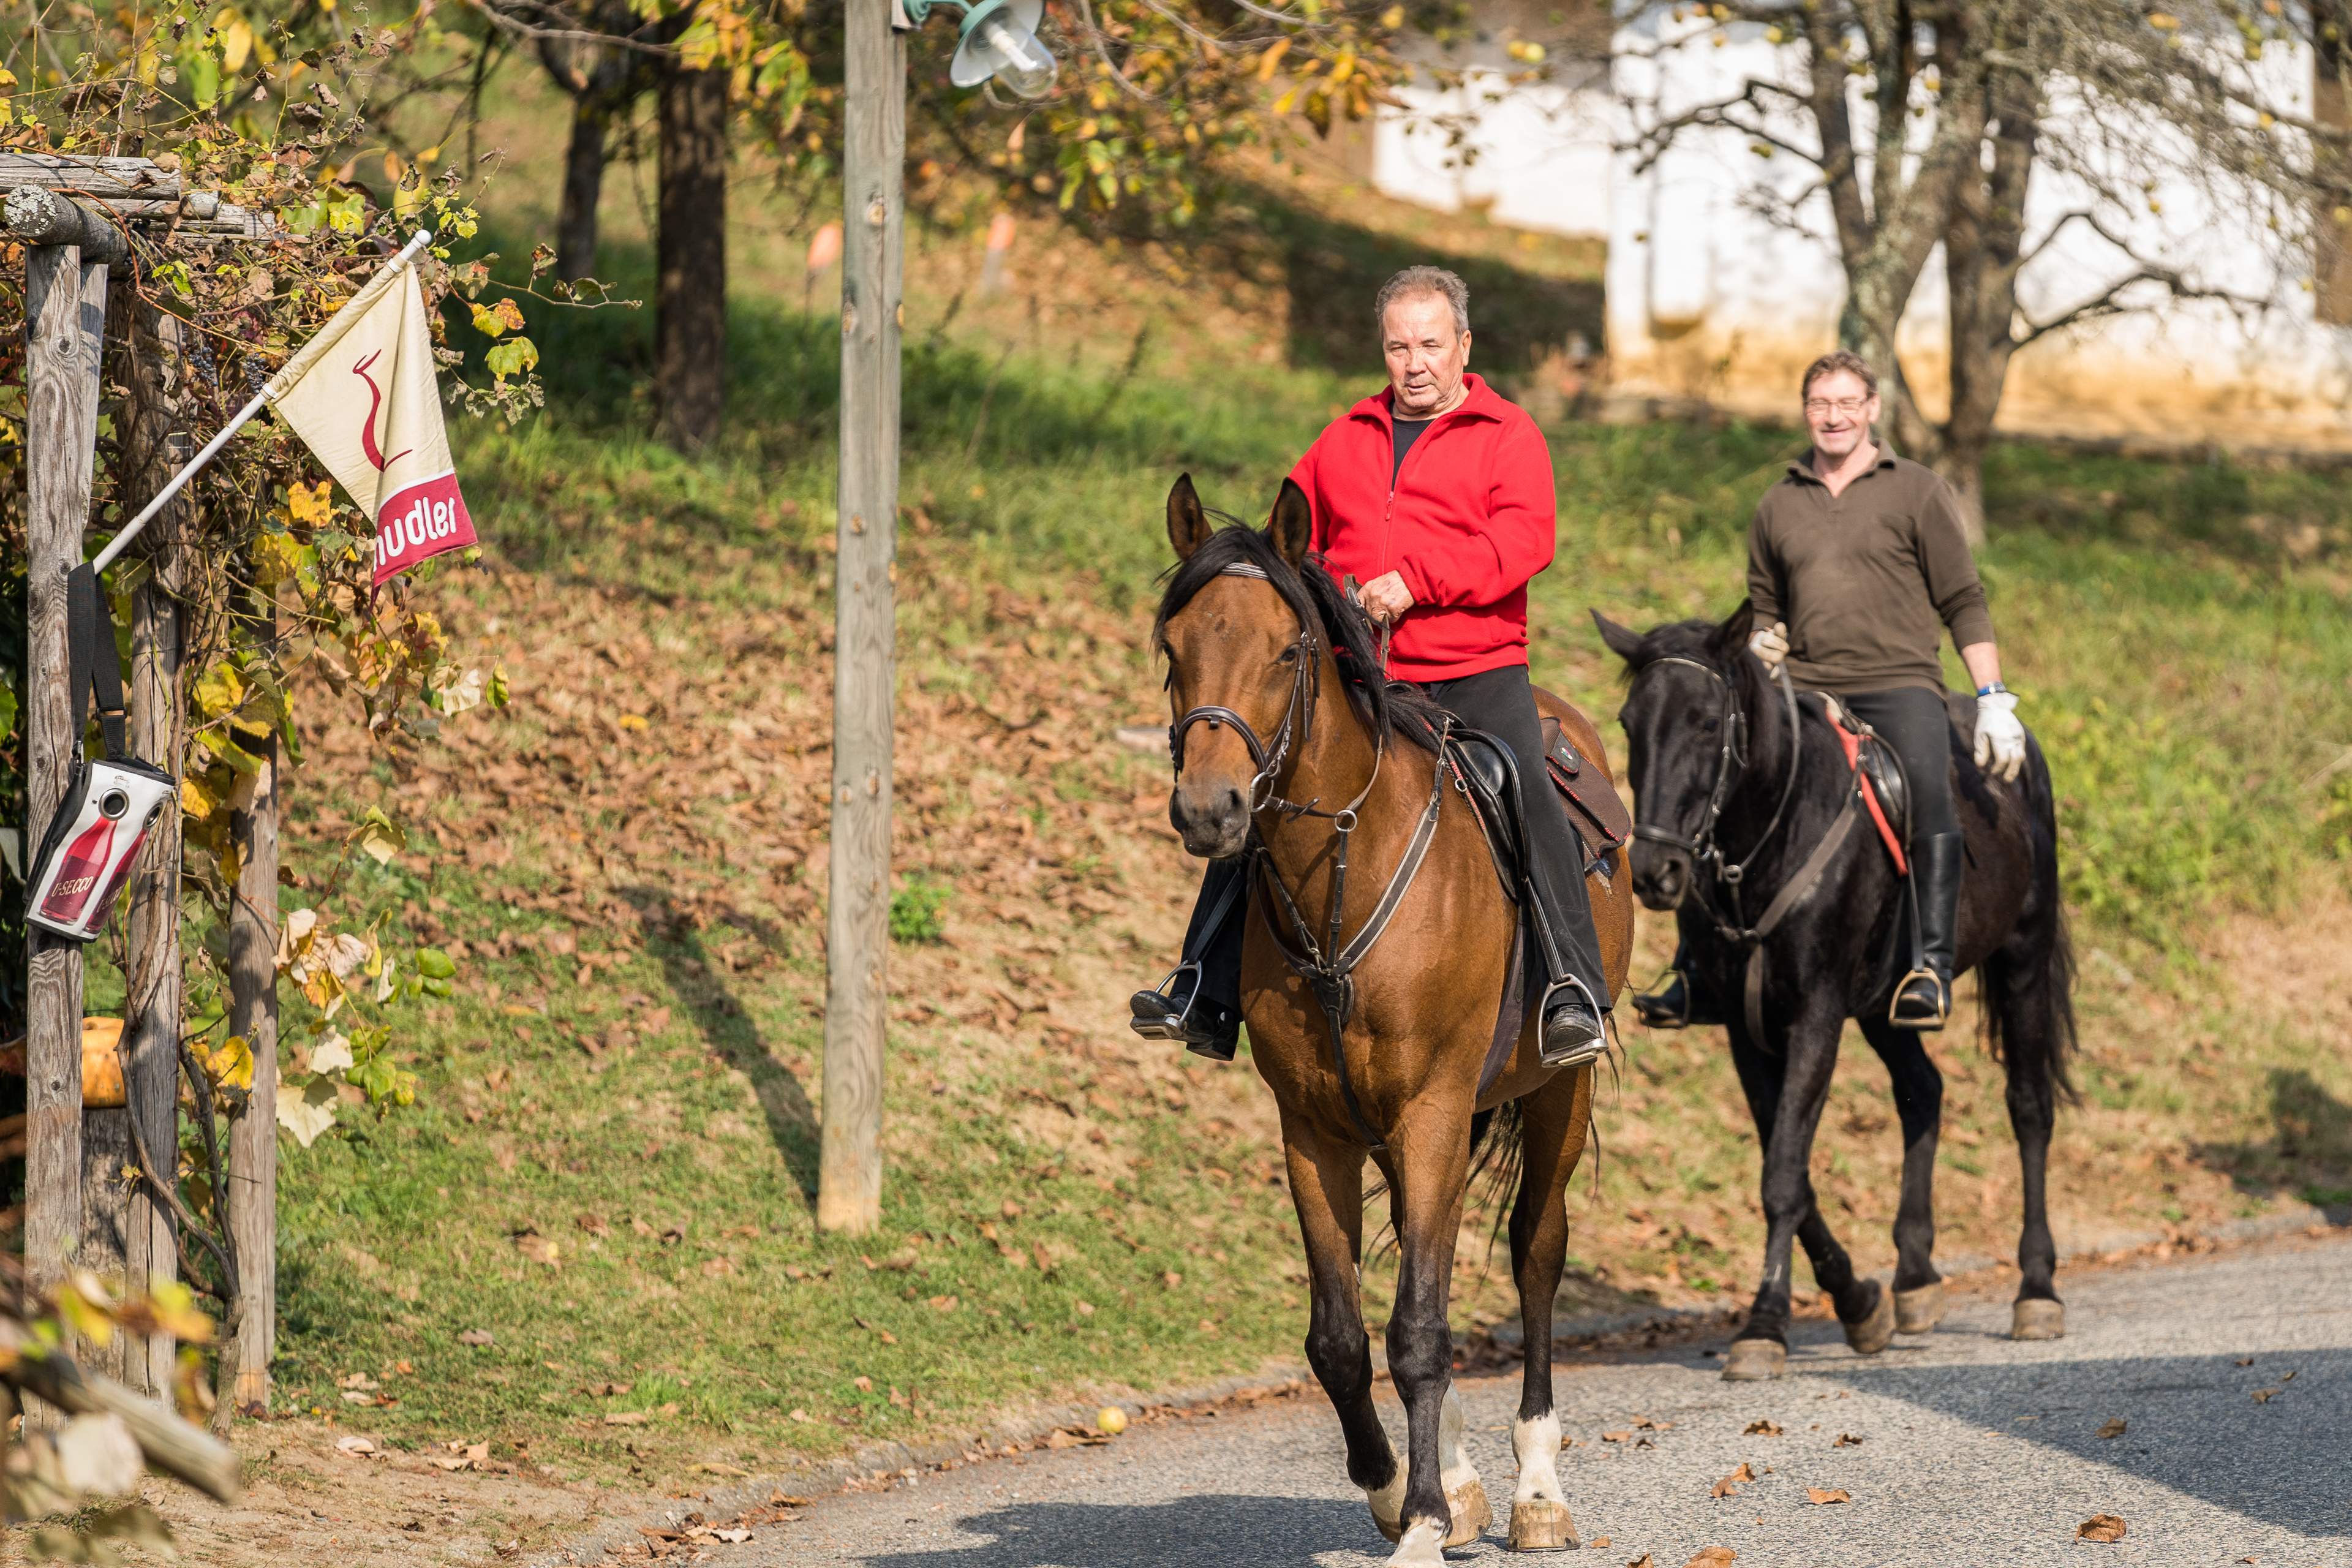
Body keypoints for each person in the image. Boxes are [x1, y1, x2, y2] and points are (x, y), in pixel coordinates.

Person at [1130, 266, 1612, 1069]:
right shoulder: (1344, 437)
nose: (1413, 363)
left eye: (1429, 344)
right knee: (1267, 780)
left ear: (1463, 346)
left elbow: (1527, 541)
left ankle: (1571, 987)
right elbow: (1293, 547)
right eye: (1397, 346)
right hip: (1365, 675)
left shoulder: (1508, 434)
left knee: (1524, 779)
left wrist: (1417, 581)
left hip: (1474, 669)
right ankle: (1202, 987)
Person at [1633, 349, 2028, 1032]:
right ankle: (1693, 970)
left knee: (1930, 791)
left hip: (1899, 685)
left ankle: (1928, 967)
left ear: (1874, 408)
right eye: (1821, 404)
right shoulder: (1778, 503)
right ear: (1806, 411)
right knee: (1725, 785)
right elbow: (1763, 605)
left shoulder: (1919, 491)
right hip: (1805, 688)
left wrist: (1991, 695)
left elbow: (1963, 599)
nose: (1834, 416)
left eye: (1848, 403)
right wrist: (1763, 644)